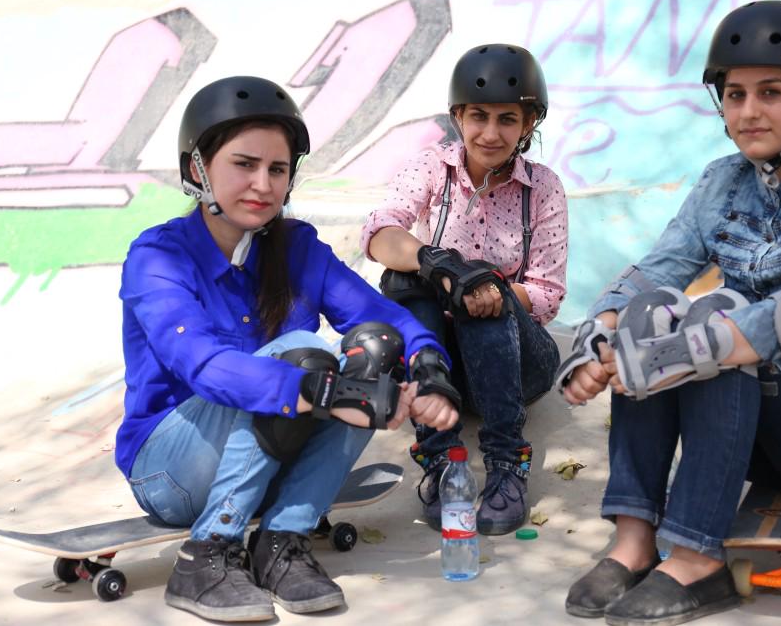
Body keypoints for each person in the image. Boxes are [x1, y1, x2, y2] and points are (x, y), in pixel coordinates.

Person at [558, 1, 781, 625]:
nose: (749, 111)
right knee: (653, 314)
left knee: (718, 328)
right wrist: (597, 338)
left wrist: (687, 349)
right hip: (757, 431)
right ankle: (634, 541)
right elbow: (653, 273)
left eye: (772, 92)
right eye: (735, 94)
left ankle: (697, 561)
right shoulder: (720, 181)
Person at [116, 76, 461, 622]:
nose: (263, 184)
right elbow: (204, 365)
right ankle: (206, 556)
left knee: (375, 351)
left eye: (277, 169)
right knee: (303, 352)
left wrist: (428, 368)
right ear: (197, 170)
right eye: (244, 164)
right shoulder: (158, 257)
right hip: (172, 471)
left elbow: (384, 318)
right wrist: (325, 390)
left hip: (271, 458)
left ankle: (281, 544)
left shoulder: (297, 246)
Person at [360, 44, 568, 535]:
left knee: (480, 293)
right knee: (407, 278)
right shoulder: (432, 168)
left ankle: (507, 462)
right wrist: (439, 268)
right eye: (478, 116)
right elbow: (380, 231)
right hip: (443, 367)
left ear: (529, 123)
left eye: (507, 119)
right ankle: (440, 460)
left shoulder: (543, 188)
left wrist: (487, 290)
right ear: (457, 116)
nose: (490, 133)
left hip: (518, 360)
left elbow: (547, 295)